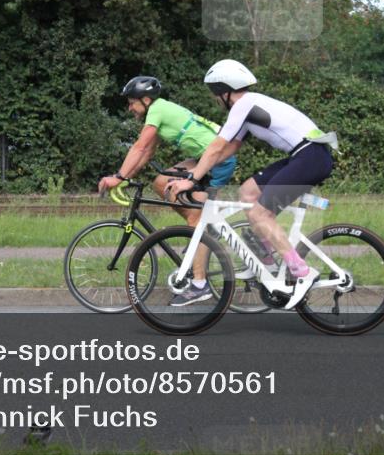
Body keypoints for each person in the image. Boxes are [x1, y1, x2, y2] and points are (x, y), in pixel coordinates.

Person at [166, 60, 338, 303]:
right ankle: (265, 261)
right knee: (247, 192)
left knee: (260, 215)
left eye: (215, 94)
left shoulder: (244, 105)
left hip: (311, 155)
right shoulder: (249, 108)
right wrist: (201, 172)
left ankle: (302, 272)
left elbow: (216, 147)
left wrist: (191, 178)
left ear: (224, 91)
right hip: (305, 154)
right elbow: (228, 149)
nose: (215, 99)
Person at [97, 76, 237, 306]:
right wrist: (124, 177)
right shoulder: (158, 112)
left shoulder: (157, 111)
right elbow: (146, 153)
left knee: (196, 220)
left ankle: (200, 283)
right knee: (162, 182)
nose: (130, 108)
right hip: (207, 157)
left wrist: (118, 177)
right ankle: (200, 229)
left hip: (218, 160)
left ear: (146, 99)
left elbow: (139, 147)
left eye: (132, 102)